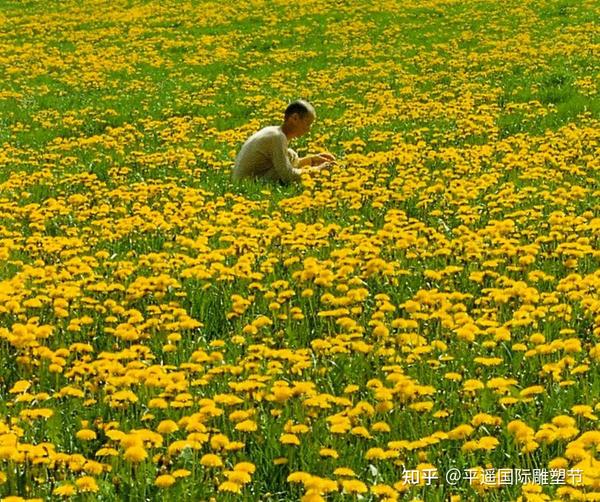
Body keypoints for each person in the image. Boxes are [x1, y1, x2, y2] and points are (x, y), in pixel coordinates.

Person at [232, 100, 336, 184]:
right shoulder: (277, 137)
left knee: (290, 154)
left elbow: (284, 164)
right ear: (294, 118)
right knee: (289, 161)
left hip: (247, 179)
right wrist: (316, 170)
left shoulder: (273, 131)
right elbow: (288, 176)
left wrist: (311, 160)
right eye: (307, 124)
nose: (308, 129)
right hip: (248, 183)